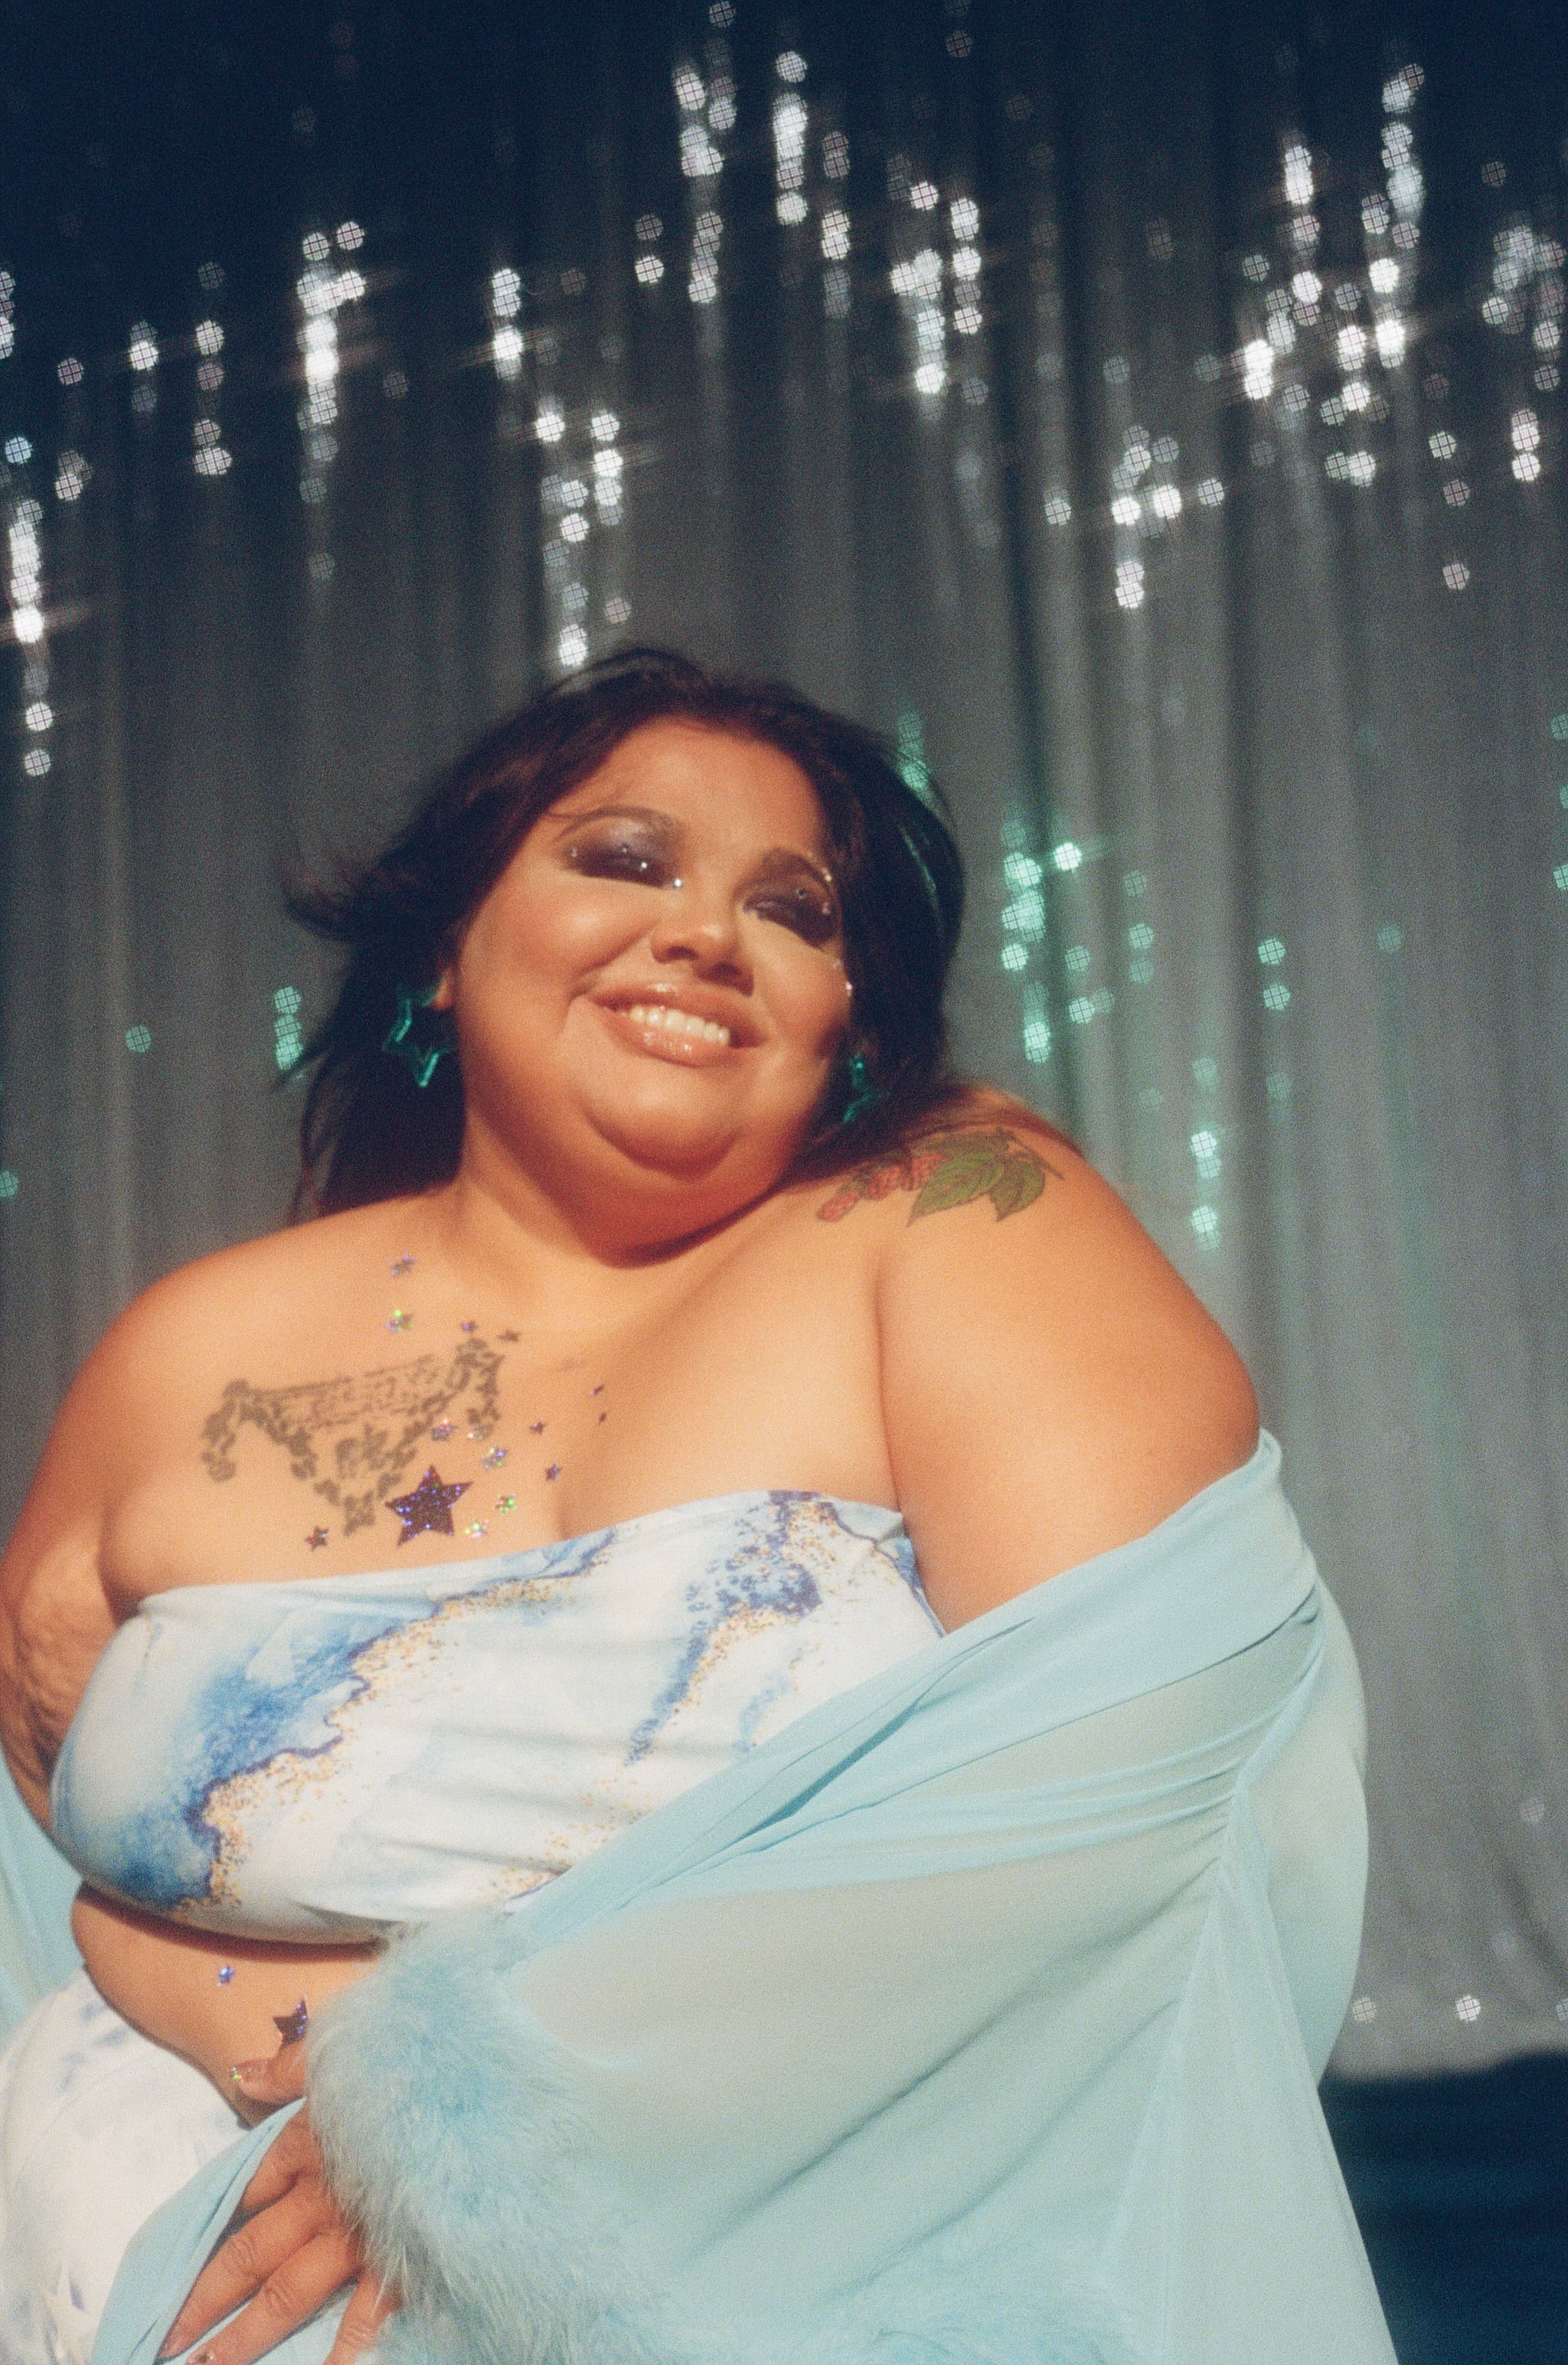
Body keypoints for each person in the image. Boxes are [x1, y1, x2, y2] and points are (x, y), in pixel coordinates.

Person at [0, 649, 1394, 2365]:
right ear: (446, 946)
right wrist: (201, 2000)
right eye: (626, 860)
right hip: (122, 2253)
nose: (706, 935)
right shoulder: (187, 1346)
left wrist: (469, 2117)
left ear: (850, 1019)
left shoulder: (953, 1218)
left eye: (794, 909)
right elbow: (37, 1812)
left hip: (765, 2270)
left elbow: (1139, 1778)